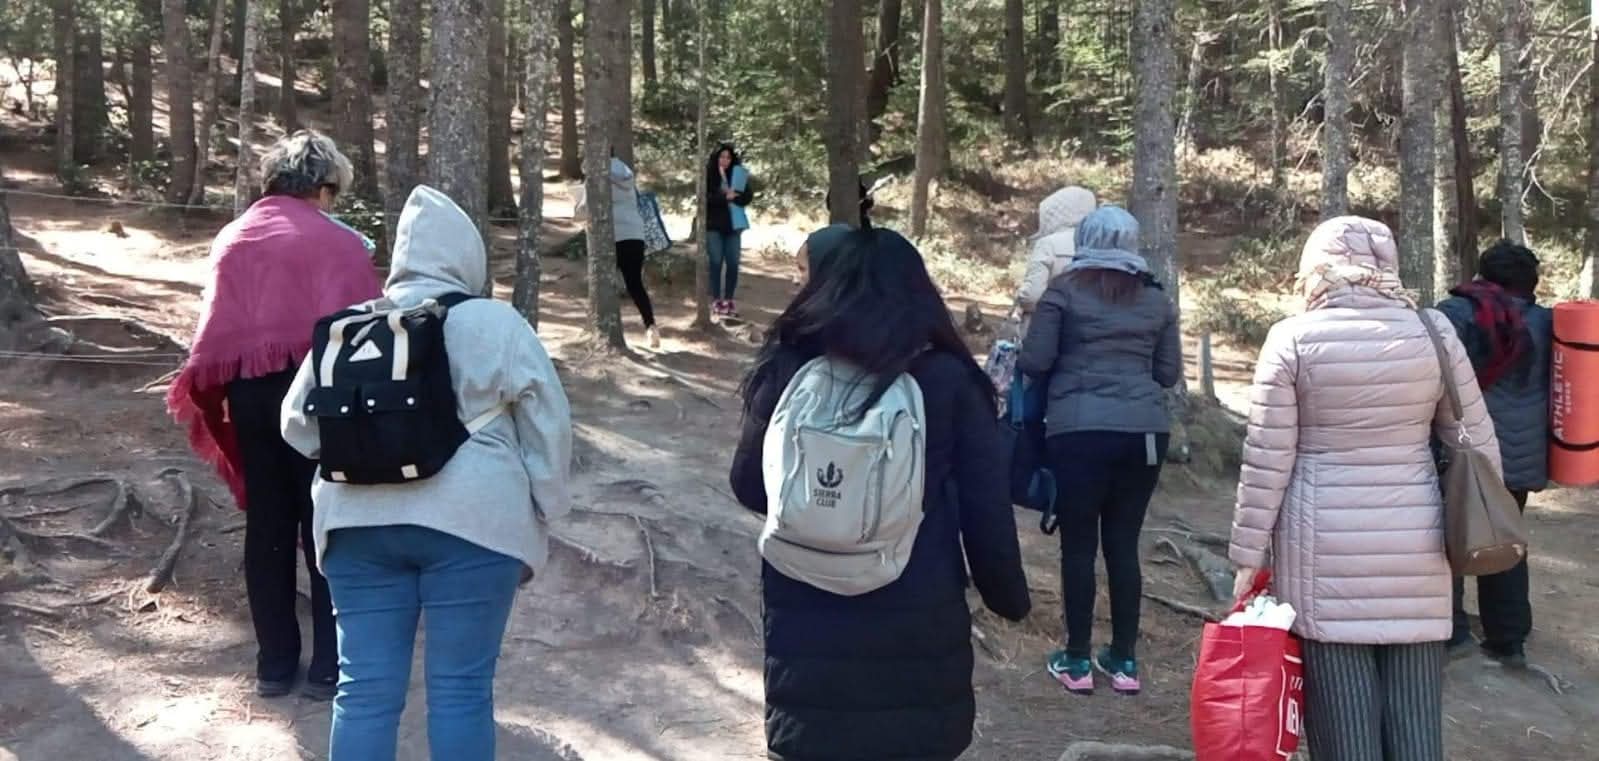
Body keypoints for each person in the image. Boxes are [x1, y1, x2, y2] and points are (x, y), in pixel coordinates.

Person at [280, 185, 573, 761]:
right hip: (475, 525)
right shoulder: (495, 322)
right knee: (461, 691)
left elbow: (297, 426)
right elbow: (548, 423)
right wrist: (547, 502)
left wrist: (367, 449)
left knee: (363, 692)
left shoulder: (348, 328)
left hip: (354, 527)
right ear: (468, 256)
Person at [730, 227, 1031, 761]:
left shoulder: (790, 365)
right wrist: (1008, 599)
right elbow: (987, 513)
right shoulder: (950, 379)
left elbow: (750, 486)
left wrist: (826, 512)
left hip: (805, 613)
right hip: (916, 615)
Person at [1230, 216, 1499, 761]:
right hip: (1417, 545)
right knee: (1417, 727)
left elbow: (1267, 459)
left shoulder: (1292, 338)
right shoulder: (1432, 332)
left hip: (1322, 550)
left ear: (1316, 269)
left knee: (1343, 728)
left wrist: (1246, 555)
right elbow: (1480, 446)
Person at [165, 130, 381, 700]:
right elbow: (364, 329)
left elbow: (219, 331)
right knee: (324, 521)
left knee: (267, 524)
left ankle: (275, 664)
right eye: (333, 192)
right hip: (322, 398)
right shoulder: (339, 243)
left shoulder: (234, 236)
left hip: (252, 395)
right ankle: (329, 666)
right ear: (323, 186)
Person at [1017, 205, 1181, 696]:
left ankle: (1076, 660)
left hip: (1078, 431)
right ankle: (1124, 661)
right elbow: (1167, 373)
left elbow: (1035, 360)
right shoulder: (1156, 299)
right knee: (1124, 544)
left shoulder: (1063, 291)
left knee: (1079, 545)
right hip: (1145, 435)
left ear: (1084, 239)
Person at [1435, 240, 1551, 667]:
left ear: (1483, 275)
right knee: (1504, 534)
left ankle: (1451, 631)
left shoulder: (1456, 314)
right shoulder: (1549, 322)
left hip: (1465, 447)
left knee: (1447, 536)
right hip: (1523, 455)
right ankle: (1508, 636)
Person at [1014, 185, 1097, 339]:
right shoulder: (1098, 243)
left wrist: (1020, 296)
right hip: (1088, 332)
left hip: (1046, 330)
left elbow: (1032, 296)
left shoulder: (1048, 244)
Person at [610, 155, 661, 348]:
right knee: (635, 284)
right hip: (635, 234)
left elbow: (584, 207)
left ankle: (607, 326)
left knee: (605, 282)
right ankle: (651, 326)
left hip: (614, 235)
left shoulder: (597, 174)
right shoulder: (626, 173)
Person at [707, 143, 755, 317]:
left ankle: (729, 300)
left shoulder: (737, 175)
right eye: (722, 157)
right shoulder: (709, 175)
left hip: (733, 227)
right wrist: (724, 197)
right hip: (714, 226)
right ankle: (716, 300)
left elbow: (747, 196)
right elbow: (706, 199)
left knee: (733, 263)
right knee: (715, 262)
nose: (725, 160)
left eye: (728, 157)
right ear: (716, 158)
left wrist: (735, 196)